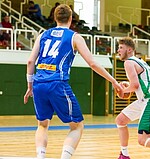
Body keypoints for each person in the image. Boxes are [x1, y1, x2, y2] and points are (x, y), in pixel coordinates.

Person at [23, 4, 122, 159]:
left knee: (42, 125)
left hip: (38, 83)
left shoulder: (43, 35)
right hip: (57, 83)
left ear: (55, 18)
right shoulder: (74, 37)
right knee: (77, 126)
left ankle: (40, 156)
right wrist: (114, 81)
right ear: (71, 19)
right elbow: (93, 63)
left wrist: (30, 85)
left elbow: (30, 61)